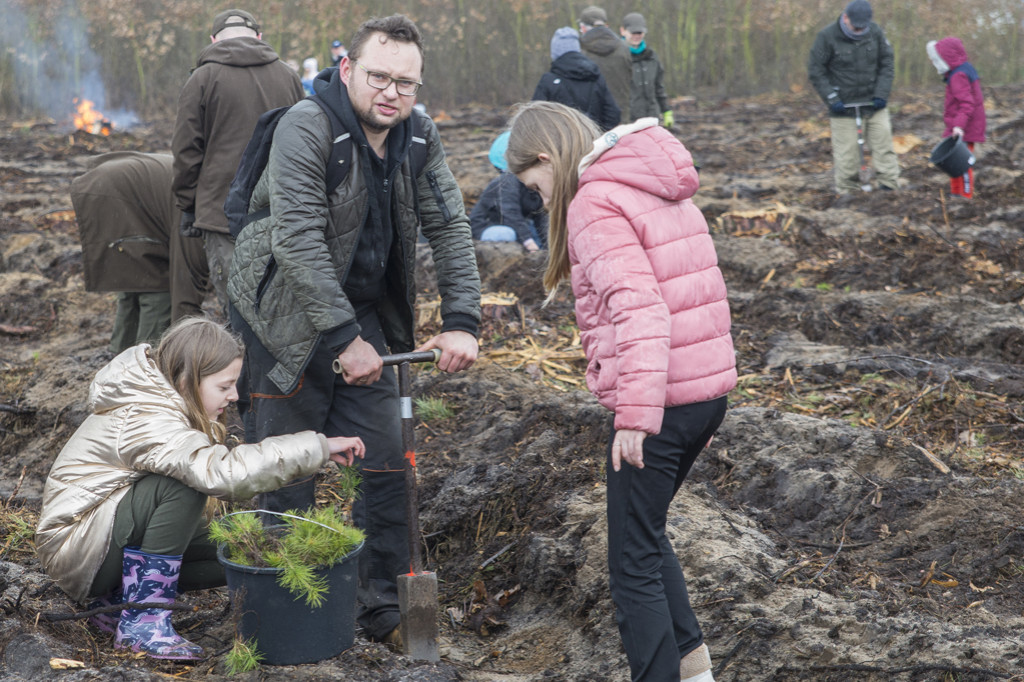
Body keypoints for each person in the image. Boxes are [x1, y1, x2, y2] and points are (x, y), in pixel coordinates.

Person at [227, 14, 481, 647]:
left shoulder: (418, 136)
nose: (391, 93)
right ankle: (280, 621)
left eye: (407, 83)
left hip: (362, 316)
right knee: (285, 474)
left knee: (388, 465)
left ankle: (386, 613)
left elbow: (448, 226)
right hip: (284, 320)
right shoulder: (305, 127)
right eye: (378, 77)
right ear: (347, 70)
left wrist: (461, 320)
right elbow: (299, 239)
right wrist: (345, 342)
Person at [506, 101, 735, 682]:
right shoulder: (653, 182)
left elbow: (639, 310)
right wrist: (688, 416)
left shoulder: (595, 201)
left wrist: (637, 414)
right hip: (699, 394)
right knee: (647, 535)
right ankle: (695, 672)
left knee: (630, 563)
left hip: (658, 400)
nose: (543, 201)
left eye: (536, 187)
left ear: (545, 158)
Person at [34, 317, 365, 660]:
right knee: (183, 486)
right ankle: (143, 623)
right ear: (187, 378)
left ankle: (117, 604)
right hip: (77, 547)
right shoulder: (148, 416)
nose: (234, 396)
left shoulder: (165, 403)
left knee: (237, 549)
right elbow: (219, 473)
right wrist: (317, 447)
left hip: (101, 540)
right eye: (224, 386)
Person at [171, 9, 305, 317]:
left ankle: (245, 365)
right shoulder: (288, 76)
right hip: (283, 208)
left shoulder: (201, 79)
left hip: (221, 214)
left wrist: (189, 204)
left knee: (239, 312)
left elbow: (186, 151)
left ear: (213, 39)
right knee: (283, 308)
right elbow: (309, 142)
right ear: (259, 37)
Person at [70, 152, 209, 352]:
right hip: (116, 194)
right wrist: (184, 336)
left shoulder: (208, 183)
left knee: (135, 278)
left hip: (107, 184)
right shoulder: (199, 212)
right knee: (157, 282)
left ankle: (121, 353)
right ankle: (147, 359)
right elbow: (186, 277)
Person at [808, 0, 900, 194]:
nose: (859, 30)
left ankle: (889, 187)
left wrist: (881, 94)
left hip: (874, 103)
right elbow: (816, 71)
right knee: (847, 155)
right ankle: (848, 192)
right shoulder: (827, 36)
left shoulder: (875, 33)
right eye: (855, 26)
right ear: (845, 17)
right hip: (843, 106)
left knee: (883, 146)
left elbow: (887, 64)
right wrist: (832, 98)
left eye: (862, 27)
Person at [927, 37, 986, 199]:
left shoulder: (958, 76)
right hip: (959, 124)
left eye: (936, 59)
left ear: (946, 58)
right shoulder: (960, 70)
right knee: (952, 162)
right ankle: (955, 193)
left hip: (965, 126)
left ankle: (965, 195)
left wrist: (958, 126)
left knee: (963, 163)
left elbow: (967, 103)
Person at [471, 131, 548, 251]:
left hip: (517, 225)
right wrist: (529, 243)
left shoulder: (532, 184)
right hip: (488, 226)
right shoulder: (507, 181)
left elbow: (541, 217)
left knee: (538, 237)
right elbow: (510, 213)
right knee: (507, 234)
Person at [532, 26, 620, 131]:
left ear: (555, 52)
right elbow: (613, 114)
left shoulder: (548, 80)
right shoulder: (595, 76)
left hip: (561, 143)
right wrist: (599, 136)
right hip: (593, 141)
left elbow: (534, 118)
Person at [578, 5, 632, 125]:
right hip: (621, 119)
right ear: (606, 25)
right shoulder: (624, 48)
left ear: (583, 28)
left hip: (589, 122)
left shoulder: (579, 51)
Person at [620, 12, 671, 127]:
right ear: (623, 31)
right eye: (633, 32)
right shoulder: (617, 57)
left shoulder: (652, 56)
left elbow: (658, 87)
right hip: (628, 121)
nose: (637, 35)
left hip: (652, 117)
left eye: (640, 32)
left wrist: (666, 111)